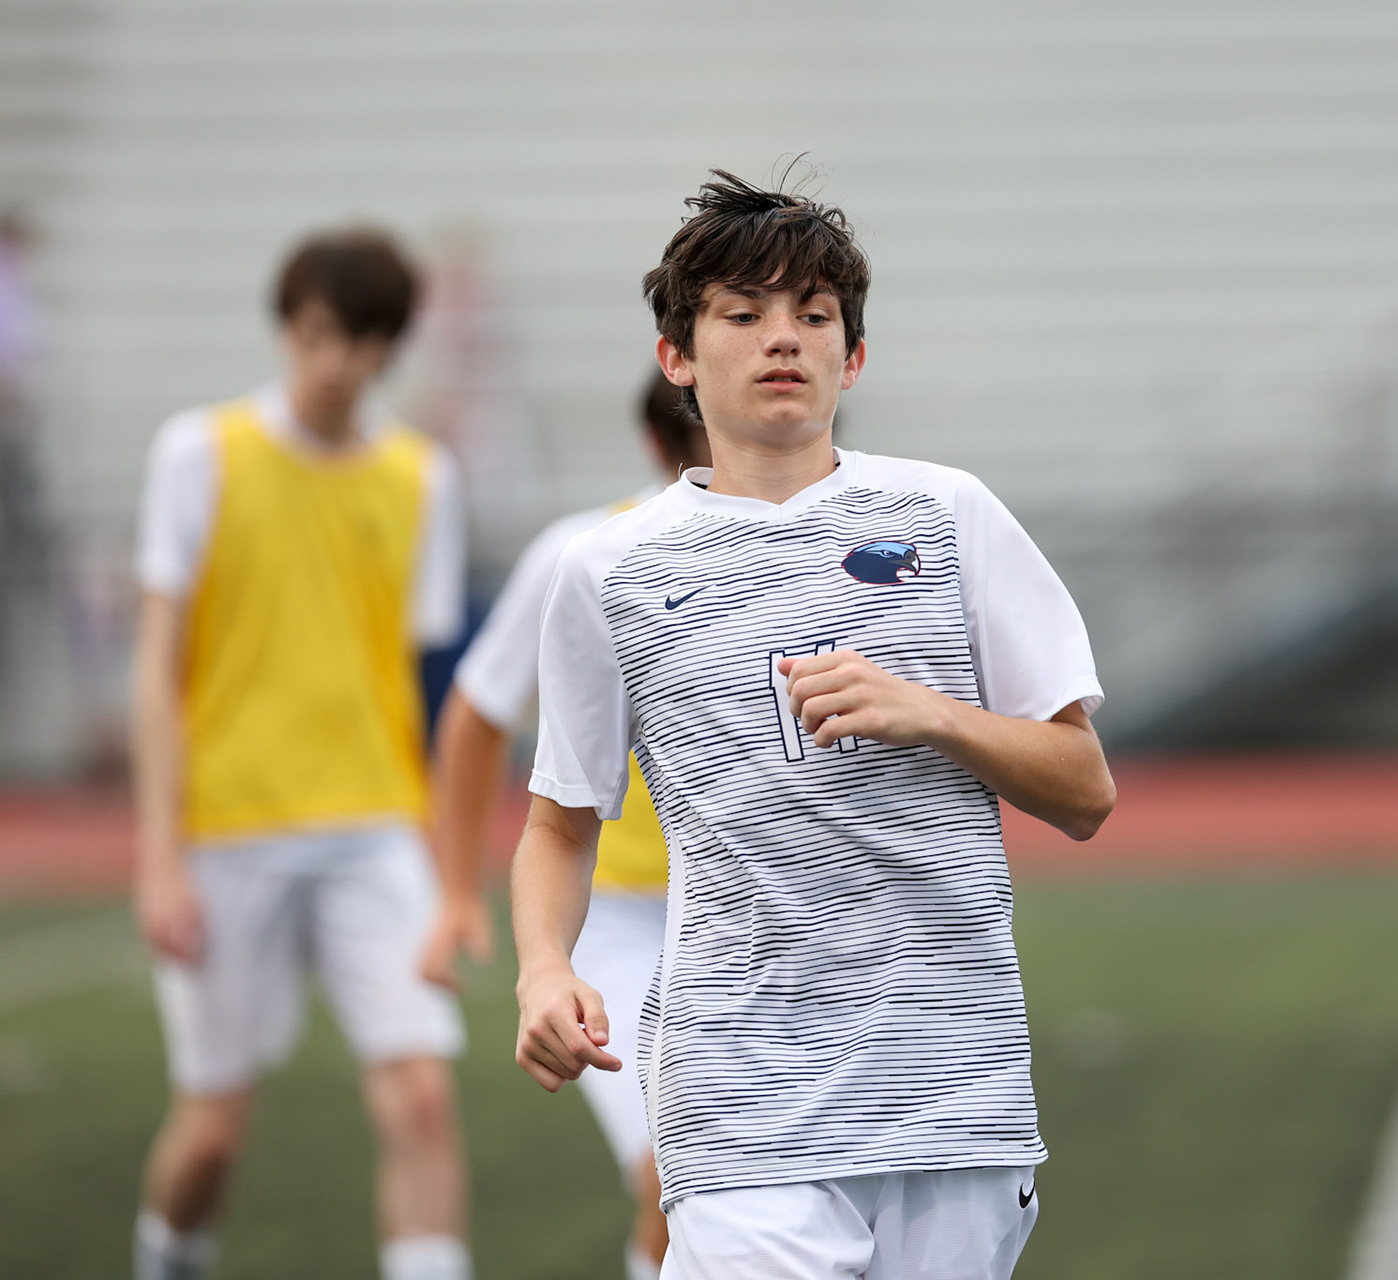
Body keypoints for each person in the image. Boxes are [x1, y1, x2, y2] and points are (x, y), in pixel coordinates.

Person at [510, 171, 1116, 1279]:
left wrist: (932, 714)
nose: (782, 337)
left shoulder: (951, 514)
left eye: (813, 314)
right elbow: (559, 821)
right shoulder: (607, 570)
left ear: (855, 355)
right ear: (677, 357)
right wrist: (544, 968)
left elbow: (1084, 789)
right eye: (743, 314)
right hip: (738, 1100)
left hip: (952, 1092)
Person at [130, 228, 473, 1280]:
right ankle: (167, 1257)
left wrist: (450, 871)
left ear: (389, 348)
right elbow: (155, 666)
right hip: (227, 829)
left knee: (421, 1097)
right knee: (211, 1131)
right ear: (286, 329)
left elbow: (430, 692)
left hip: (376, 828)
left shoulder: (424, 476)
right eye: (317, 333)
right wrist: (158, 857)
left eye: (359, 340)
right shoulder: (200, 452)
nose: (333, 360)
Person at [429, 373, 709, 1280]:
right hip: (621, 918)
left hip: (765, 916)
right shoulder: (584, 555)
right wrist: (454, 891)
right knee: (672, 1174)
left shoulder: (832, 544)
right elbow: (477, 711)